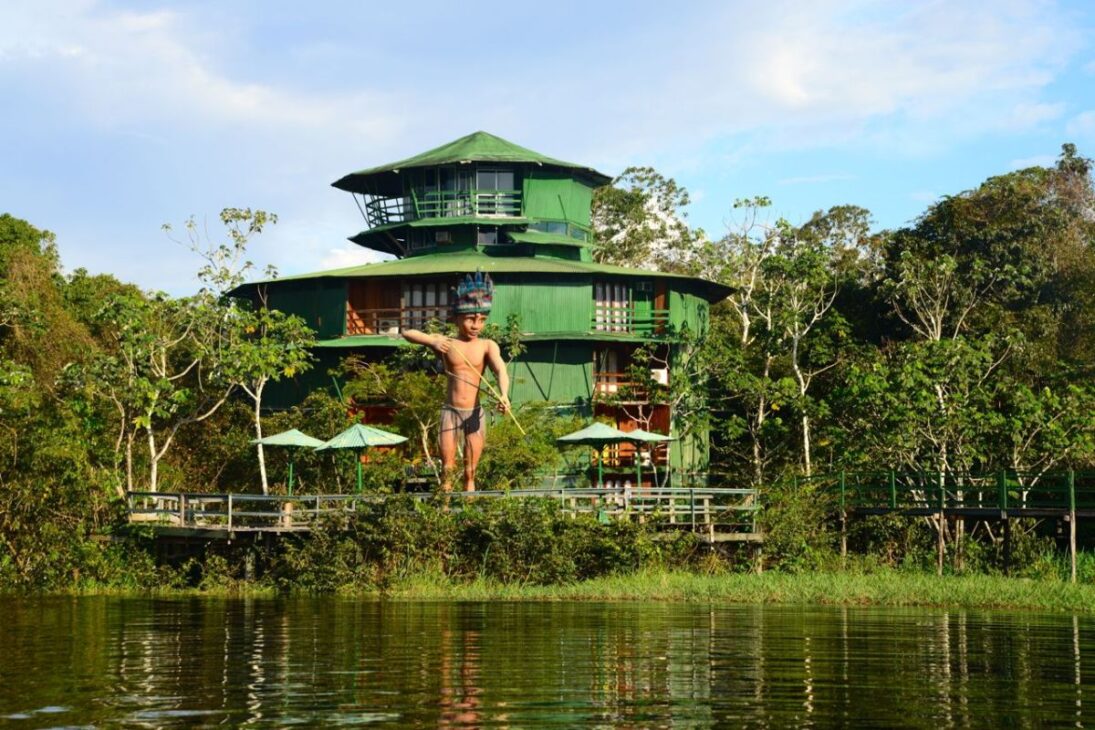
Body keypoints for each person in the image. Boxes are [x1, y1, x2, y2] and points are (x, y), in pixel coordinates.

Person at [402, 270, 510, 492]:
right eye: (470, 318)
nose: (476, 325)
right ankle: (445, 512)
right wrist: (432, 340)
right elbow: (408, 333)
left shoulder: (487, 345)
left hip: (474, 412)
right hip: (450, 411)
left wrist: (504, 395)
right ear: (456, 318)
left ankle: (468, 511)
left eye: (481, 320)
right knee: (447, 469)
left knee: (470, 471)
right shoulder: (448, 344)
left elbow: (500, 369)